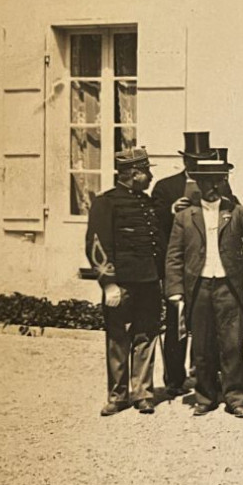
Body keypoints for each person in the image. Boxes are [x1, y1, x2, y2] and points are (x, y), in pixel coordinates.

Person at [165, 156, 243, 418]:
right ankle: (205, 396)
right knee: (202, 345)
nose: (213, 186)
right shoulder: (185, 216)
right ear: (198, 183)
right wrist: (175, 289)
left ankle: (236, 398)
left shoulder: (236, 212)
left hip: (229, 288)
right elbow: (174, 255)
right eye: (207, 181)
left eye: (218, 180)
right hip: (198, 288)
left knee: (232, 344)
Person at [85, 147, 164, 416]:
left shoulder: (147, 203)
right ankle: (117, 395)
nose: (151, 176)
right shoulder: (106, 203)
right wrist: (108, 283)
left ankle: (143, 392)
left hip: (149, 281)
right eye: (147, 172)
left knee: (147, 335)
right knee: (118, 338)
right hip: (122, 284)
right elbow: (97, 246)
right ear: (134, 174)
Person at [150, 130, 213, 397]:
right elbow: (152, 225)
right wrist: (170, 211)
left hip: (207, 263)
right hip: (177, 264)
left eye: (202, 159)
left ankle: (201, 374)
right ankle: (174, 378)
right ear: (185, 160)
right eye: (193, 159)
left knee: (204, 322)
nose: (197, 164)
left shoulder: (216, 184)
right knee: (177, 322)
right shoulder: (165, 187)